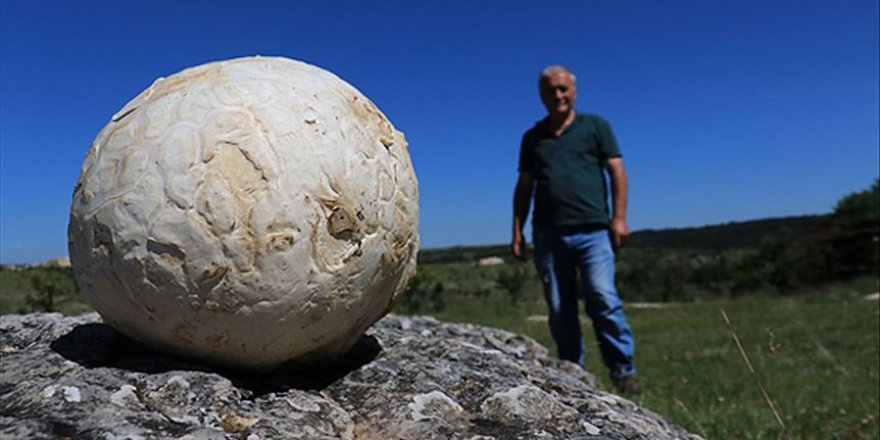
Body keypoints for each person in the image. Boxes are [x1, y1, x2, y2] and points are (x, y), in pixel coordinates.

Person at [511, 65, 640, 395]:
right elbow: (524, 187)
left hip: (593, 231)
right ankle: (573, 372)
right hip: (549, 233)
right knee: (559, 307)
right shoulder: (533, 138)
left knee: (603, 297)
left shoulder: (595, 127)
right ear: (542, 96)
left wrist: (620, 217)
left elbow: (617, 172)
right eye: (551, 90)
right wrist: (517, 231)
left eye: (563, 89)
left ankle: (623, 370)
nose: (558, 96)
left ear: (574, 91)